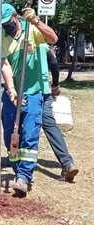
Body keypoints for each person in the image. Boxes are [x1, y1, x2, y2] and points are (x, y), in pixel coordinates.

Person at [0, 3, 58, 196]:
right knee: (10, 133)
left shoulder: (31, 30)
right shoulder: (3, 39)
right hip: (13, 92)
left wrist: (36, 21)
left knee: (30, 133)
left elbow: (53, 38)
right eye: (3, 25)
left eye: (8, 23)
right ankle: (17, 170)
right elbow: (5, 65)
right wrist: (11, 90)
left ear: (16, 17)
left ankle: (24, 177)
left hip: (33, 91)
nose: (7, 28)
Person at [42, 46, 78, 181]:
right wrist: (55, 85)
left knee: (25, 126)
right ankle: (67, 163)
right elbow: (54, 65)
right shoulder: (44, 46)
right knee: (51, 127)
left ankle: (19, 165)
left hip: (28, 94)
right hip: (45, 91)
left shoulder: (18, 43)